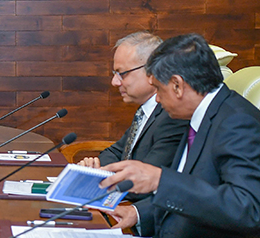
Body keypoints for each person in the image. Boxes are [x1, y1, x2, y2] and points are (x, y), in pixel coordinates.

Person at [99, 33, 260, 238]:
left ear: (177, 85)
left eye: (159, 90)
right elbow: (195, 190)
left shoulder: (237, 123)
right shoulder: (203, 115)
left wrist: (159, 180)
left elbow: (246, 208)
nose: (157, 99)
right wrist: (138, 213)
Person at [79, 33, 189, 198]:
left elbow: (144, 180)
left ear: (151, 71)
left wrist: (100, 178)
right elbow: (116, 152)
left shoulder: (172, 116)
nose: (114, 82)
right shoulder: (144, 110)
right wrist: (97, 168)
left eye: (122, 73)